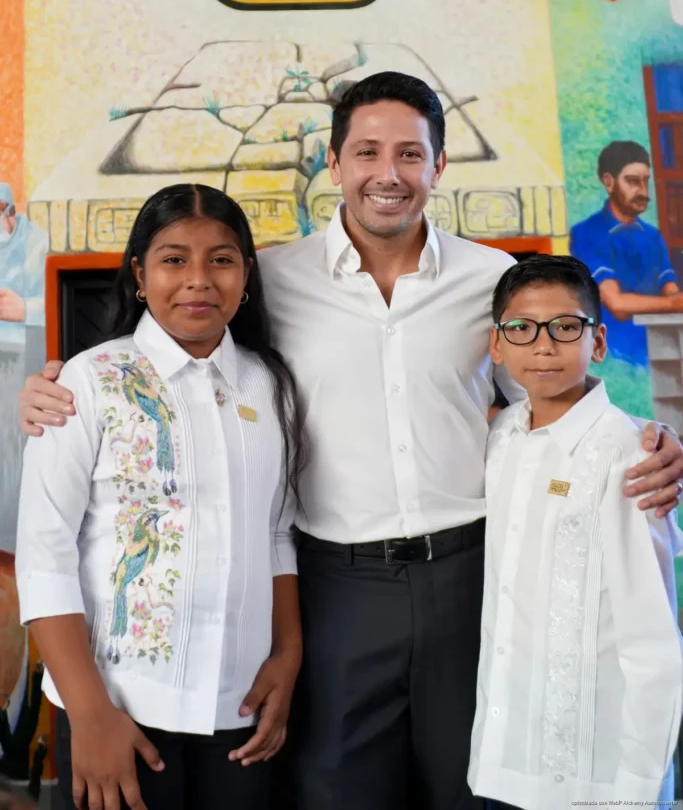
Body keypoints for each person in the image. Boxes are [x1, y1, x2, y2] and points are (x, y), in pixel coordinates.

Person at [18, 74, 683, 810]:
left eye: (408, 153)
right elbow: (174, 354)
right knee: (334, 791)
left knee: (475, 787)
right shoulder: (267, 281)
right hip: (334, 585)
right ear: (333, 165)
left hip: (472, 574)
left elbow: (551, 387)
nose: (386, 174)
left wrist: (646, 438)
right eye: (366, 152)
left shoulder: (492, 280)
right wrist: (58, 388)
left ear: (437, 166)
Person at [14, 184, 306, 810]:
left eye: (221, 260)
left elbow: (277, 532)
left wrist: (288, 656)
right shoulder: (87, 383)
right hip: (119, 708)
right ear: (140, 276)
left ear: (246, 276)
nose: (199, 279)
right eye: (174, 259)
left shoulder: (270, 386)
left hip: (242, 707)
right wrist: (90, 714)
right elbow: (45, 556)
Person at [469, 255, 683, 810]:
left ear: (599, 341)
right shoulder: (501, 438)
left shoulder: (630, 456)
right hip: (505, 759)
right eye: (521, 328)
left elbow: (652, 642)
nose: (544, 345)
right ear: (497, 346)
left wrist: (640, 791)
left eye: (566, 327)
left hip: (597, 777)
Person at [570, 140, 683, 366]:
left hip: (665, 352)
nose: (642, 191)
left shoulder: (652, 236)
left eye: (645, 182)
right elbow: (618, 305)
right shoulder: (587, 233)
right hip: (614, 360)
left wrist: (673, 302)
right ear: (609, 182)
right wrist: (672, 303)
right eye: (633, 182)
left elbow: (672, 292)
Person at [0, 183, 48, 339]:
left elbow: (59, 304)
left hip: (28, 344)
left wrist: (25, 309)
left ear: (9, 213)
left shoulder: (39, 245)